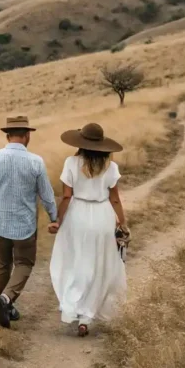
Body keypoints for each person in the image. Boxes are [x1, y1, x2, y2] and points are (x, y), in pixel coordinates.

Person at [0, 115, 58, 329]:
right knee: (24, 264)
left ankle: (4, 308)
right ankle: (6, 300)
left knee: (3, 265)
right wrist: (54, 217)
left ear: (7, 135)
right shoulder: (36, 161)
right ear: (27, 135)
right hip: (25, 225)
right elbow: (46, 195)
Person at [48, 122, 128, 337]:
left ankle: (73, 304)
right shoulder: (111, 167)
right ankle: (87, 317)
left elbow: (67, 196)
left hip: (77, 216)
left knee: (75, 261)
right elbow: (115, 199)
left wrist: (57, 220)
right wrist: (122, 223)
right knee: (98, 265)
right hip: (102, 216)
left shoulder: (71, 163)